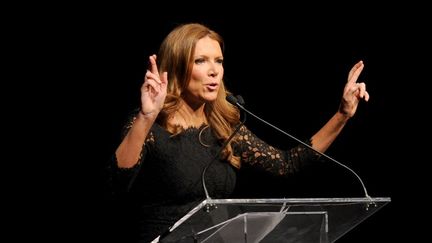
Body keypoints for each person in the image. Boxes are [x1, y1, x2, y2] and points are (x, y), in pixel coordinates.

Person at [106, 23, 369, 243]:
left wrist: (342, 115)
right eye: (200, 61)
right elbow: (115, 182)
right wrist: (146, 117)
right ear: (177, 67)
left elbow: (287, 164)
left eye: (218, 61)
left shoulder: (223, 127)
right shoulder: (149, 126)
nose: (214, 71)